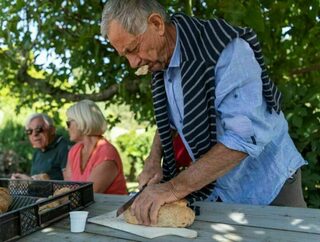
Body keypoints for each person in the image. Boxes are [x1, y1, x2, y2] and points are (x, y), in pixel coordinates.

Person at [100, 0, 307, 225]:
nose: (133, 63)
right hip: (222, 193)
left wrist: (172, 188)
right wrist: (153, 159)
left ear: (157, 24)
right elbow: (170, 122)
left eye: (133, 49)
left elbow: (244, 137)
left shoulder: (226, 50)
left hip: (269, 187)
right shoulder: (162, 61)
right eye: (125, 55)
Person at [64, 99, 127, 195]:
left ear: (81, 121)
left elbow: (88, 195)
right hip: (84, 210)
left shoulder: (106, 153)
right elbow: (67, 189)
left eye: (68, 123)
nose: (66, 128)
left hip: (111, 209)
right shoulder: (74, 151)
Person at [11, 113, 70, 180]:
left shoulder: (64, 148)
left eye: (38, 129)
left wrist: (47, 178)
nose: (34, 134)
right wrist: (24, 180)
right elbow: (35, 180)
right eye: (29, 131)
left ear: (52, 130)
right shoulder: (38, 151)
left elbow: (70, 183)